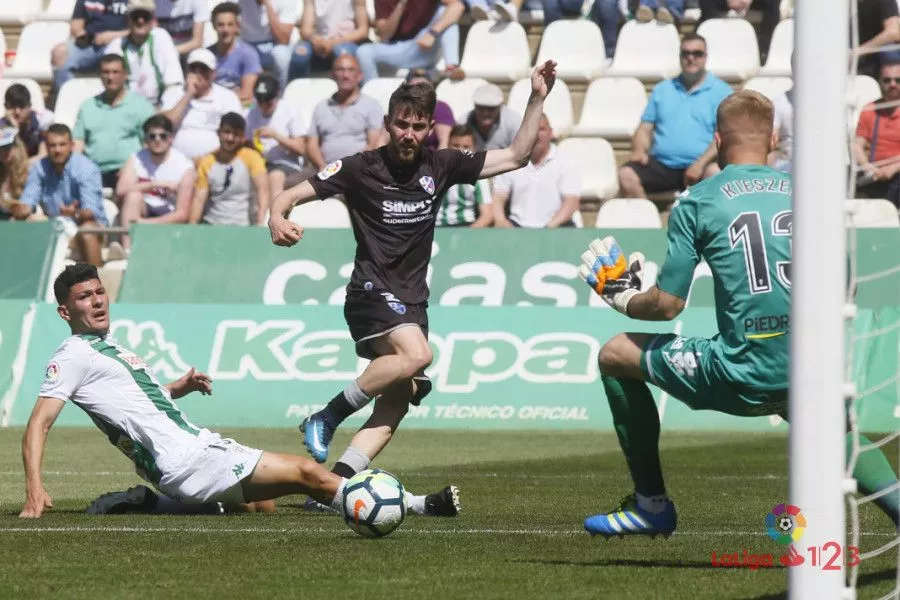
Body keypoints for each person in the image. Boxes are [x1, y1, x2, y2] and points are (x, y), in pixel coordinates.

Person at [578, 90, 900, 538]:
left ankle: (651, 505)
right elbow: (847, 288)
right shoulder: (812, 196)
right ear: (774, 139)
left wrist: (625, 297)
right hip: (811, 371)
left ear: (717, 139)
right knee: (837, 430)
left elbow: (668, 306)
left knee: (615, 354)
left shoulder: (697, 201)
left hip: (740, 373)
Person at [267, 59, 559, 516]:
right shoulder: (359, 167)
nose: (408, 134)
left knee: (399, 398)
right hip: (369, 291)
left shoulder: (441, 165)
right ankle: (326, 416)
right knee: (419, 355)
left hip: (411, 301)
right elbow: (291, 193)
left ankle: (332, 489)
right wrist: (276, 217)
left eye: (417, 126)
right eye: (401, 124)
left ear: (428, 129)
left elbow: (516, 156)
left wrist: (537, 97)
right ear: (388, 123)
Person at [19, 263, 354, 519]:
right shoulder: (73, 355)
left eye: (99, 292)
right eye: (84, 297)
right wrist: (35, 489)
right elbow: (38, 424)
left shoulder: (105, 345)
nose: (96, 302)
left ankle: (151, 504)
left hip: (186, 459)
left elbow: (136, 403)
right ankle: (377, 504)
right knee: (307, 472)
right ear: (65, 311)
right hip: (189, 461)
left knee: (260, 505)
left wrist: (176, 388)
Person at [617, 33, 732, 214]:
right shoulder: (662, 89)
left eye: (697, 53)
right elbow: (644, 128)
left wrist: (700, 164)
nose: (691, 58)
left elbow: (724, 135)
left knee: (716, 175)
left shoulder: (722, 92)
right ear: (679, 56)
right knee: (626, 175)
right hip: (663, 164)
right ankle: (649, 222)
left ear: (705, 57)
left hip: (703, 165)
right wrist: (639, 150)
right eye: (685, 53)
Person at [14, 125, 108, 267]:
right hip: (55, 226)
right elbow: (28, 199)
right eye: (52, 145)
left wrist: (74, 213)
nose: (57, 150)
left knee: (87, 232)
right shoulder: (40, 167)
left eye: (62, 145)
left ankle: (96, 278)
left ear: (71, 145)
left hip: (86, 226)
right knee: (23, 223)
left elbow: (90, 212)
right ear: (46, 147)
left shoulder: (86, 168)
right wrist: (22, 209)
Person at [73, 53, 156, 189]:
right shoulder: (88, 106)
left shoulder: (141, 106)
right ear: (100, 75)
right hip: (93, 171)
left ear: (125, 75)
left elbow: (148, 144)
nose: (110, 77)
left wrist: (133, 167)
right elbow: (78, 143)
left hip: (128, 171)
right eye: (106, 72)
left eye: (115, 72)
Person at [116, 114, 195, 248]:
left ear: (171, 138)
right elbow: (121, 190)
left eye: (163, 136)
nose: (157, 140)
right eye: (152, 136)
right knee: (133, 196)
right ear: (146, 139)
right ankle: (128, 250)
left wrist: (147, 224)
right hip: (143, 209)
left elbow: (182, 214)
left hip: (168, 214)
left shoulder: (184, 166)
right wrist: (154, 184)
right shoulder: (137, 158)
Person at [491, 114, 580, 229]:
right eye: (532, 130)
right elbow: (499, 197)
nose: (537, 135)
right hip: (517, 228)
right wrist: (501, 221)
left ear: (551, 133)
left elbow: (571, 202)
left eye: (541, 129)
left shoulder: (566, 162)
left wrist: (548, 229)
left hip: (555, 228)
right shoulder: (510, 161)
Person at [305, 54, 384, 172]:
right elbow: (312, 144)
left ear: (360, 75)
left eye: (351, 70)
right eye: (340, 70)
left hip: (359, 169)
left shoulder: (372, 105)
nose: (345, 75)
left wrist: (351, 167)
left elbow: (375, 143)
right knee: (291, 181)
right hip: (323, 169)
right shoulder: (321, 107)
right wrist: (322, 166)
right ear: (332, 75)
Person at [161, 48, 243, 160]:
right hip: (176, 161)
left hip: (215, 161)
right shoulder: (173, 93)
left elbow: (235, 135)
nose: (198, 74)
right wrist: (189, 94)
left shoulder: (227, 97)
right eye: (193, 69)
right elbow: (164, 125)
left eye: (203, 70)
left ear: (213, 74)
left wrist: (206, 160)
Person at [190, 112, 270, 226]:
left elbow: (263, 190)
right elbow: (199, 200)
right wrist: (192, 227)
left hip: (244, 226)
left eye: (236, 134)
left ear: (242, 137)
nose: (230, 138)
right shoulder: (207, 162)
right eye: (227, 132)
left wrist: (260, 224)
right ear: (219, 133)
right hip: (212, 224)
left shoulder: (252, 157)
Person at [104, 0, 185, 107]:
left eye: (145, 16)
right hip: (126, 108)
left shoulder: (161, 38)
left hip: (159, 107)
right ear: (127, 19)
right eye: (135, 16)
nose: (140, 21)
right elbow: (109, 87)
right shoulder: (116, 46)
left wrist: (161, 111)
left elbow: (174, 84)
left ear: (152, 20)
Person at [245, 74, 308, 200]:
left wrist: (276, 136)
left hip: (286, 163)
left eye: (268, 102)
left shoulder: (290, 110)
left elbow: (302, 149)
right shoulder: (251, 113)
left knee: (275, 176)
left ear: (277, 94)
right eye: (260, 101)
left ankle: (276, 211)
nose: (264, 106)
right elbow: (248, 145)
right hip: (260, 163)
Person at [855, 60, 900, 207]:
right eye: (887, 80)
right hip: (873, 174)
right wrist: (866, 166)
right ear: (880, 82)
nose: (892, 84)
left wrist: (893, 168)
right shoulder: (869, 110)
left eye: (897, 80)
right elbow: (857, 145)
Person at [293, 0, 370, 77]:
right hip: (319, 39)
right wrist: (316, 39)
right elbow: (306, 29)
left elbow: (363, 30)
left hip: (347, 40)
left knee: (343, 55)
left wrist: (335, 42)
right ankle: (298, 83)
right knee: (300, 54)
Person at [435, 125, 493, 227]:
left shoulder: (480, 176)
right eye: (455, 145)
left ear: (474, 149)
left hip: (466, 226)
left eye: (466, 147)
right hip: (436, 227)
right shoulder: (434, 171)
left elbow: (487, 215)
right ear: (448, 146)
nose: (460, 151)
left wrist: (467, 234)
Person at [208, 2, 262, 105]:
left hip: (241, 107)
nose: (225, 30)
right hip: (213, 106)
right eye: (221, 25)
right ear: (213, 26)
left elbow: (247, 95)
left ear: (237, 26)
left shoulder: (248, 54)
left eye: (230, 24)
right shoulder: (207, 55)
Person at [1, 84, 55, 162]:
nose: (17, 112)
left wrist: (25, 165)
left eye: (22, 106)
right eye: (12, 106)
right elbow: (9, 160)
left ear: (30, 106)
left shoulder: (42, 121)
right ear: (5, 106)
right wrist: (14, 130)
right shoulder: (2, 126)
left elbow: (43, 155)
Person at [466, 83, 521, 152]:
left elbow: (520, 154)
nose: (485, 113)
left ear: (500, 106)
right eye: (481, 108)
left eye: (490, 108)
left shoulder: (514, 123)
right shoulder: (464, 122)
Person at [0, 128, 30, 219]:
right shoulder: (2, 173)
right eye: (1, 147)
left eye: (8, 146)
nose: (4, 151)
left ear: (17, 147)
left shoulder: (29, 170)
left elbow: (28, 206)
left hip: (25, 219)